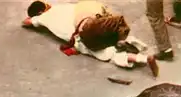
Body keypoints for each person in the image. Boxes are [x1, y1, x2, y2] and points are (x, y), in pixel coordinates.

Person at [22, 0, 159, 77]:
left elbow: (25, 22)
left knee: (108, 54)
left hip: (82, 35)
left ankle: (143, 59)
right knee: (111, 31)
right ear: (45, 6)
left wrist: (35, 18)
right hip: (94, 20)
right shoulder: (64, 7)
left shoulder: (42, 18)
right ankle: (131, 42)